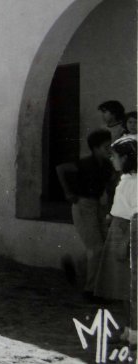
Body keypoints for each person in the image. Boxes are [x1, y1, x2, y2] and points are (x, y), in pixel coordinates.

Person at [57, 129, 114, 298]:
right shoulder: (85, 163)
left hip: (98, 206)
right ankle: (91, 290)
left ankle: (76, 266)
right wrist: (67, 192)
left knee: (104, 248)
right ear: (95, 148)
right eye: (106, 146)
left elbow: (110, 186)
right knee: (96, 248)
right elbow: (61, 169)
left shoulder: (106, 165)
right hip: (83, 205)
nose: (109, 149)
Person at [94, 136, 137, 345]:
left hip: (128, 232)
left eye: (115, 156)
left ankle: (135, 332)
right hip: (118, 228)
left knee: (131, 287)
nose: (112, 160)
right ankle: (129, 329)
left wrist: (127, 242)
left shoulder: (136, 182)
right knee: (122, 287)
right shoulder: (125, 179)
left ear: (126, 158)